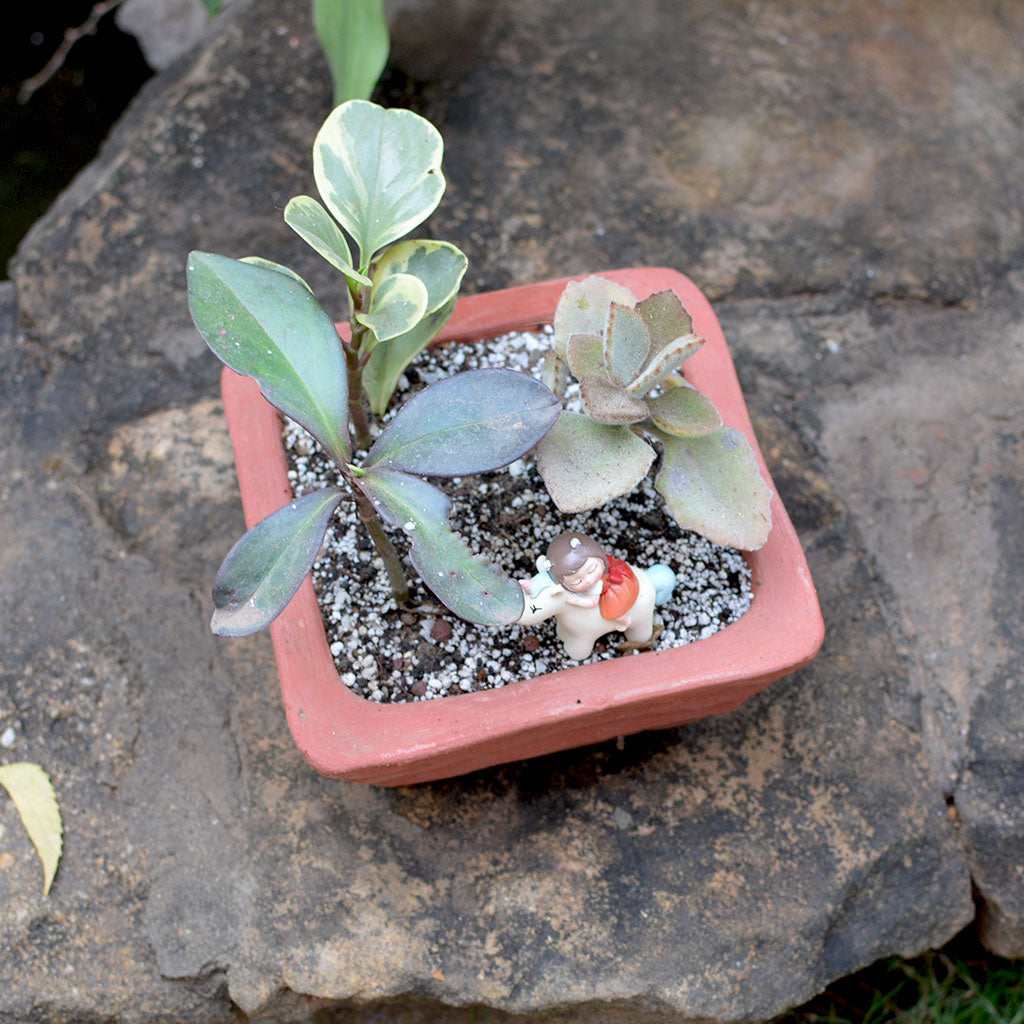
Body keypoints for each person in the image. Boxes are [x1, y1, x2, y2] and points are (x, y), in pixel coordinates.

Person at [543, 531, 640, 625]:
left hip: (615, 591)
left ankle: (624, 621)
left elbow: (592, 602)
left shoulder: (597, 585)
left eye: (592, 570)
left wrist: (578, 601)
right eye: (578, 582)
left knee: (613, 612)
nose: (588, 580)